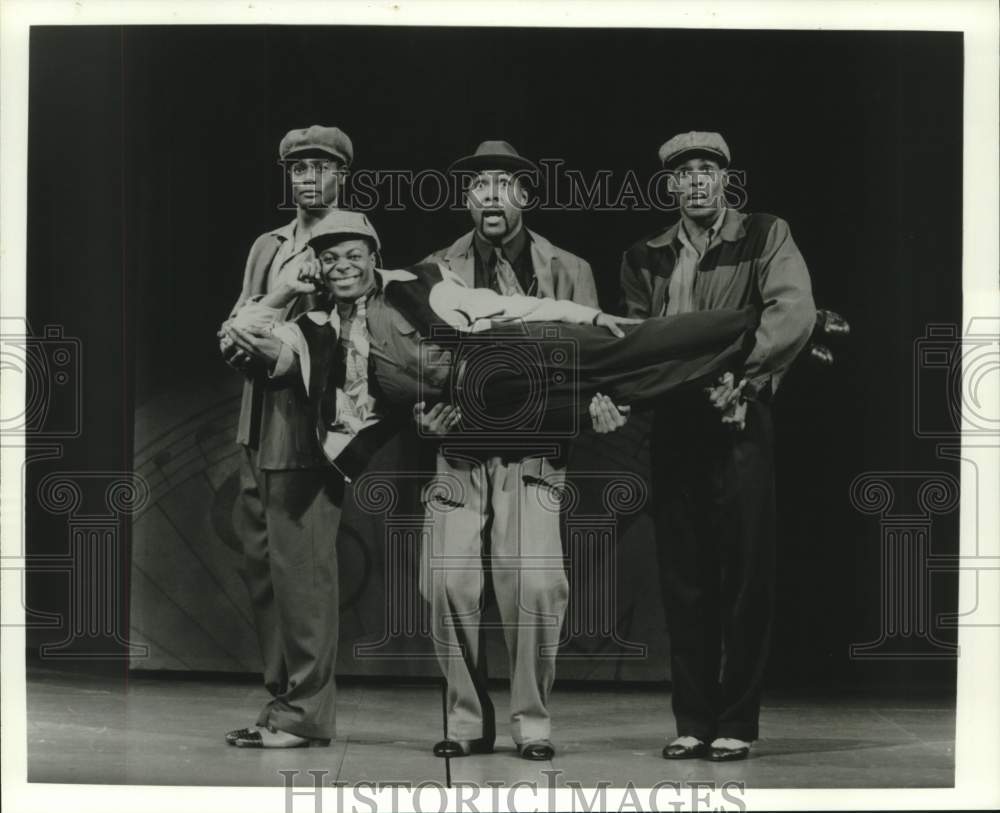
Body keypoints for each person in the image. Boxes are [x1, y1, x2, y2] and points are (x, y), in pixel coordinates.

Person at [416, 141, 626, 762]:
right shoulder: (435, 268)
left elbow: (595, 354)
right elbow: (419, 361)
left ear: (524, 198)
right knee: (449, 581)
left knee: (536, 583)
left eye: (504, 186)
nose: (491, 197)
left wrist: (598, 403)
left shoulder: (569, 268)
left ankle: (530, 720)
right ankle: (465, 720)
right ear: (466, 200)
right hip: (461, 449)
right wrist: (424, 412)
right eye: (480, 186)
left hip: (535, 449)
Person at [619, 131, 816, 762]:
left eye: (708, 169)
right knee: (685, 577)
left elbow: (793, 311)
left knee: (744, 574)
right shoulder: (645, 254)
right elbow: (640, 341)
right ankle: (693, 718)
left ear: (726, 178)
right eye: (685, 172)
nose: (697, 181)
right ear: (670, 185)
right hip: (676, 424)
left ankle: (736, 720)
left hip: (737, 419)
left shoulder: (764, 234)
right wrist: (623, 392)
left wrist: (747, 376)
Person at [216, 125, 353, 749]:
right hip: (257, 417)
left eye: (320, 166)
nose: (306, 176)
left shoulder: (348, 240)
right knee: (265, 567)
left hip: (304, 423)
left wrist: (256, 332)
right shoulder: (267, 244)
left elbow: (343, 336)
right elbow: (235, 328)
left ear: (341, 175)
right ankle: (281, 705)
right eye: (297, 166)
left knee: (304, 573)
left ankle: (306, 715)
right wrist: (259, 318)